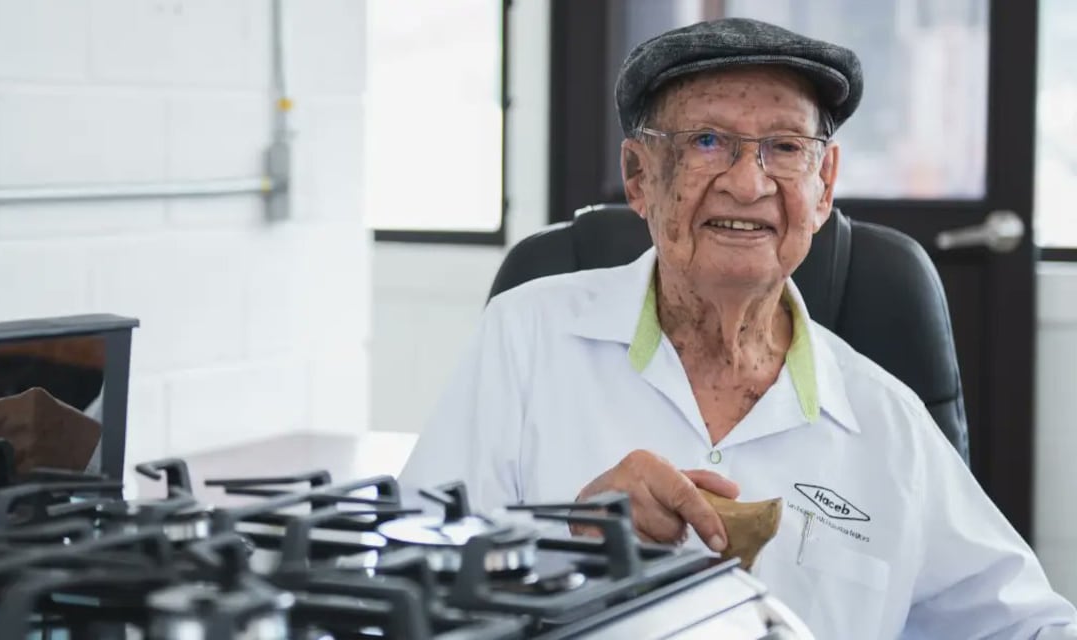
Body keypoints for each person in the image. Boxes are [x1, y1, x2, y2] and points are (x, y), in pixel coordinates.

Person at [399, 17, 1077, 639]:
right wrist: (572, 539)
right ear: (638, 177)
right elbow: (410, 574)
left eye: (784, 147)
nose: (749, 185)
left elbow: (1021, 623)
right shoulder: (528, 337)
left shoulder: (886, 422)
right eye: (706, 142)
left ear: (824, 185)